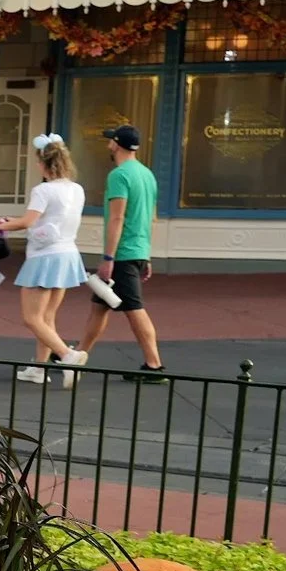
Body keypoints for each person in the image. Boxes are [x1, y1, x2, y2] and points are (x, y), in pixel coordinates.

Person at [0, 134, 88, 385]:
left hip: (44, 256)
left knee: (32, 318)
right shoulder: (77, 190)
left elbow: (27, 222)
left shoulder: (43, 190)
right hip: (67, 253)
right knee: (47, 318)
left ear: (45, 164)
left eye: (38, 163)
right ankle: (40, 368)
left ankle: (67, 355)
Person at [75, 123, 166, 382]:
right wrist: (146, 254)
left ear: (116, 143)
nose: (107, 145)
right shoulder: (147, 175)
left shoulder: (119, 175)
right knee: (99, 308)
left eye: (110, 141)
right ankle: (77, 356)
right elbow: (151, 218)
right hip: (137, 250)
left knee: (134, 309)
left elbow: (117, 217)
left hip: (122, 254)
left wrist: (108, 258)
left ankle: (154, 365)